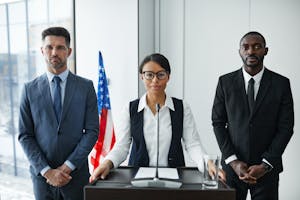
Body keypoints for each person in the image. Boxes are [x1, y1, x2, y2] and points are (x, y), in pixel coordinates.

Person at [90, 53, 226, 182]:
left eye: (160, 74)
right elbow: (122, 146)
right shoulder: (131, 109)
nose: (155, 80)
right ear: (141, 77)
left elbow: (192, 144)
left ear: (168, 77)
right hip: (138, 178)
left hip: (174, 179)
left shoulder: (182, 107)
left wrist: (208, 164)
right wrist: (106, 164)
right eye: (149, 75)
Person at [18, 27, 99, 200]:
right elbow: (25, 135)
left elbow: (92, 132)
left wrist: (67, 166)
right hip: (42, 179)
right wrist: (47, 171)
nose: (54, 52)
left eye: (60, 47)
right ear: (42, 50)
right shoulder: (28, 90)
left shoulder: (86, 87)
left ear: (69, 51)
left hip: (75, 176)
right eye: (49, 47)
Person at [212, 31, 294, 200]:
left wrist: (265, 165)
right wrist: (233, 162)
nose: (251, 51)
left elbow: (286, 128)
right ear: (239, 51)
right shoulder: (225, 82)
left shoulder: (281, 84)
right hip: (233, 170)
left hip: (267, 171)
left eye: (257, 47)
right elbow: (218, 123)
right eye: (246, 47)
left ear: (266, 50)